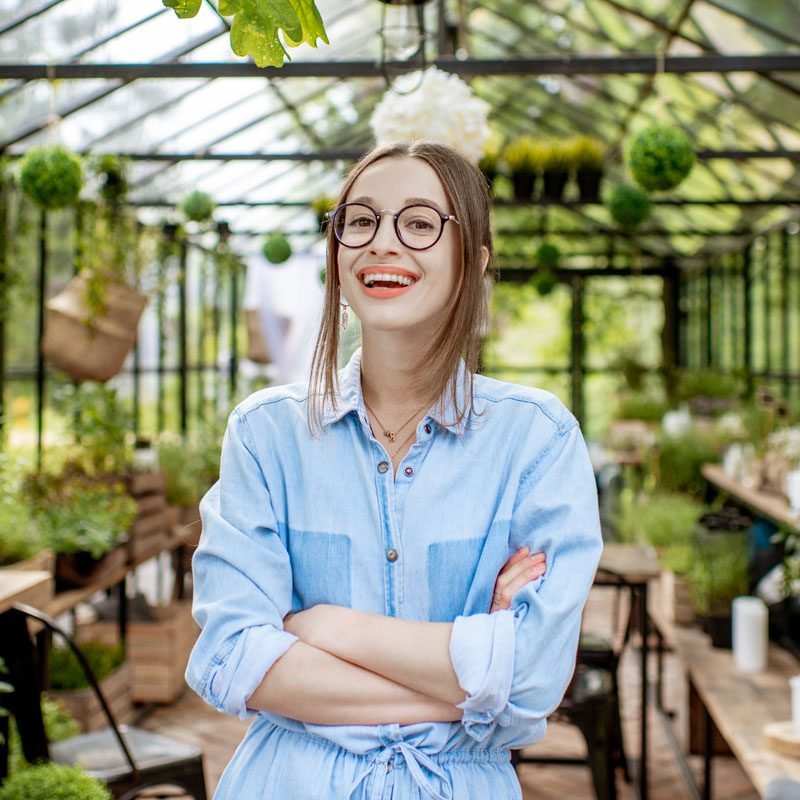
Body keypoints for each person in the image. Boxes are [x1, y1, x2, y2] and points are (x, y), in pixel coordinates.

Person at [186, 140, 603, 799]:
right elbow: (232, 660)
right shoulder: (266, 434)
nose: (383, 243)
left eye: (418, 222)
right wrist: (473, 684)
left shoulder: (536, 439)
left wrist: (325, 626)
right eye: (360, 221)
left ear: (475, 263)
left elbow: (533, 684)